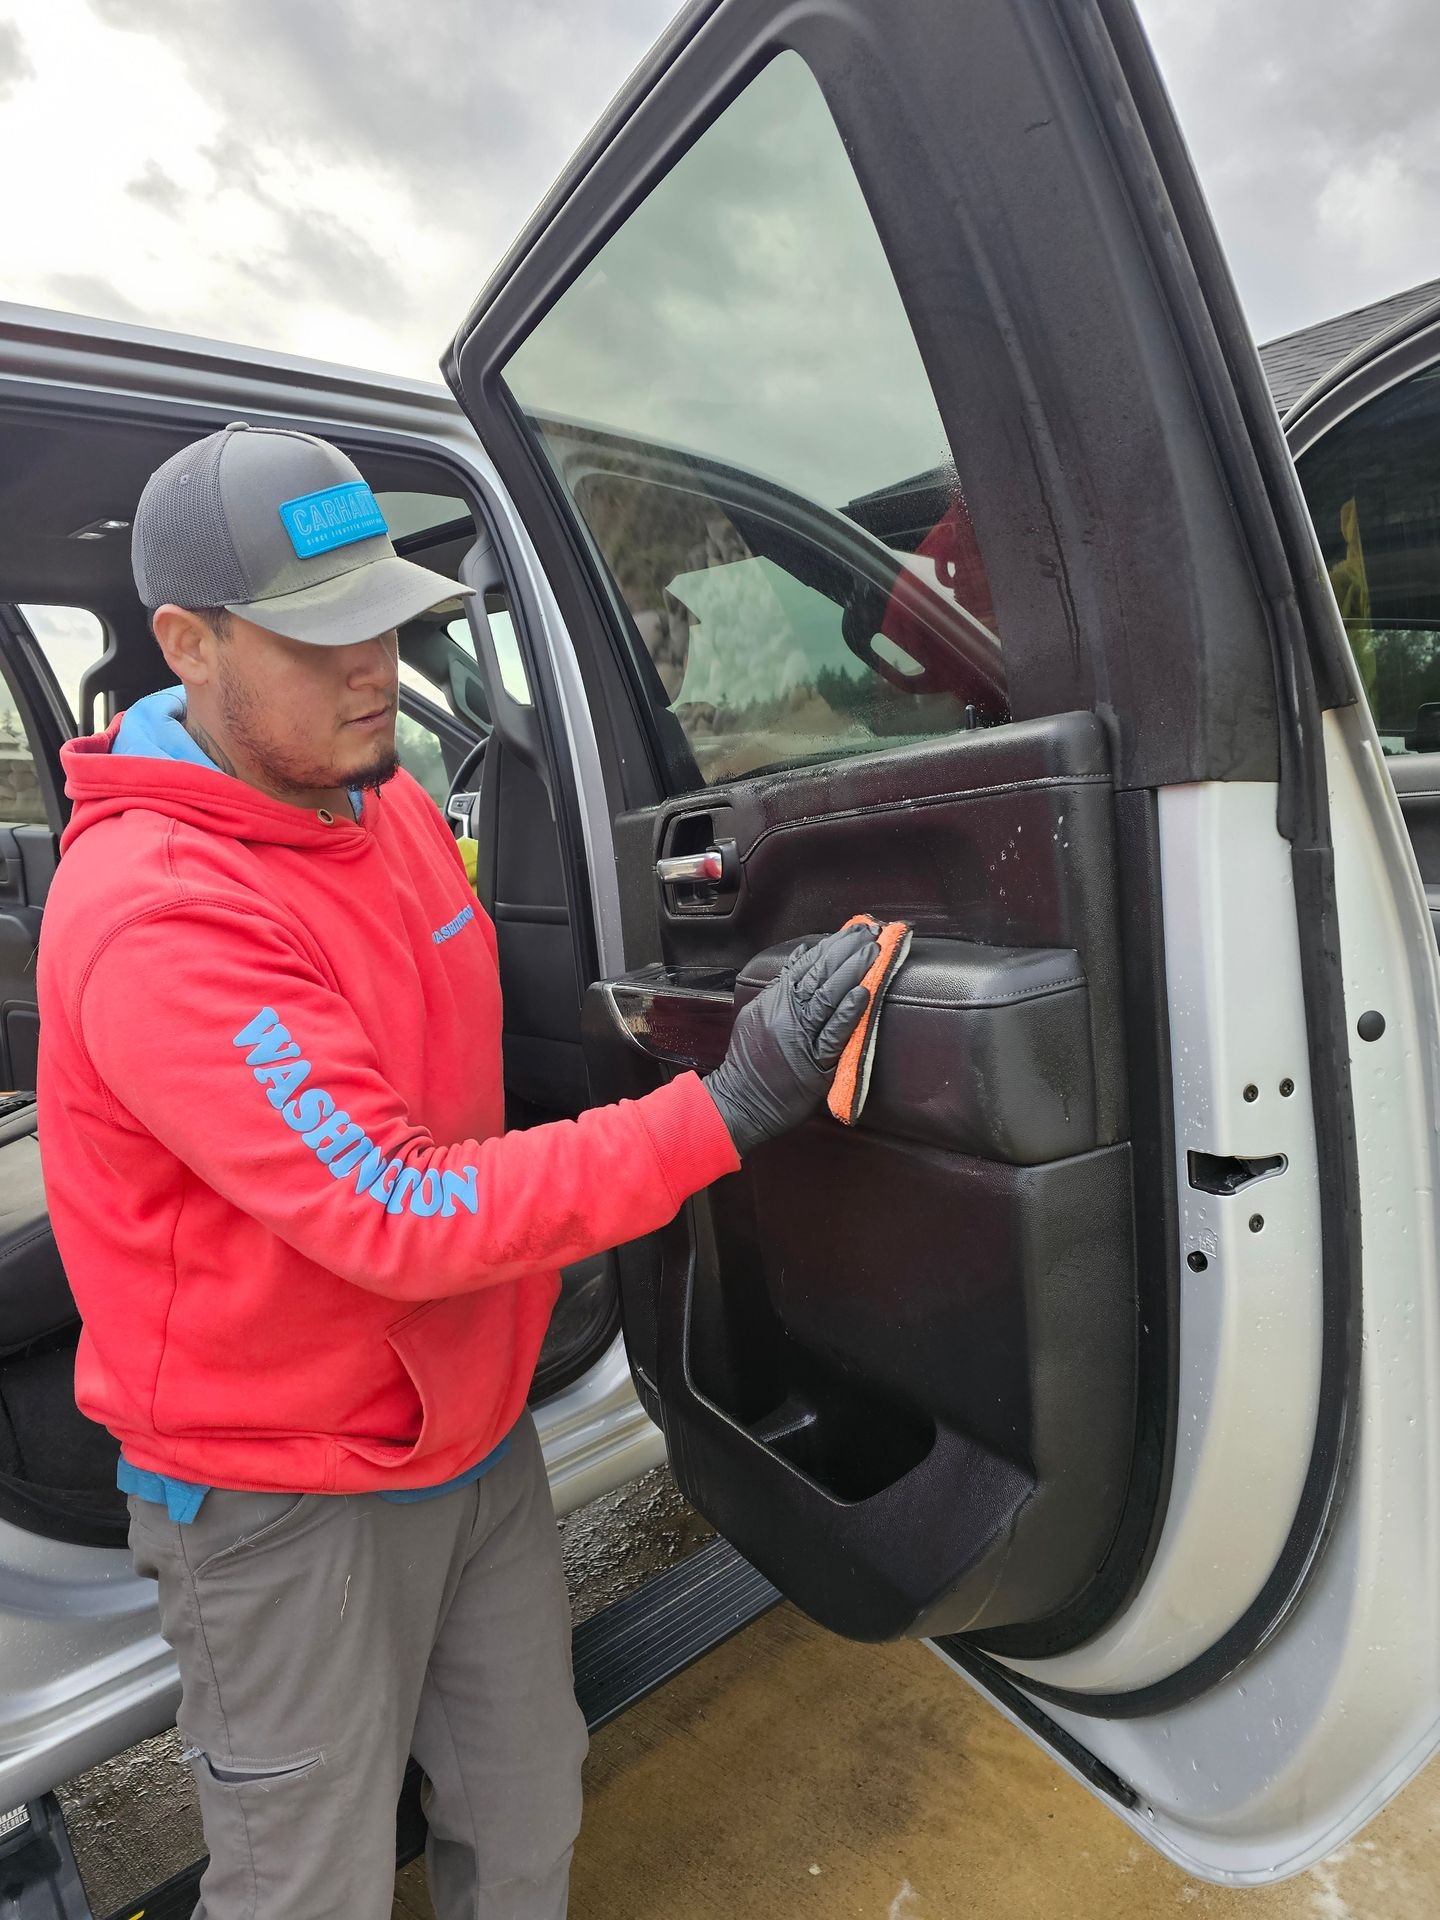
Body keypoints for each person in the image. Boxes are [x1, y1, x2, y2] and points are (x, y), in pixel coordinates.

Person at [35, 424, 877, 1920]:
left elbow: (490, 997)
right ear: (188, 643)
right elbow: (405, 1209)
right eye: (320, 635)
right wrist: (726, 1104)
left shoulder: (389, 800)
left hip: (470, 1430)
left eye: (387, 617)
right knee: (311, 1885)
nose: (374, 664)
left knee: (525, 1808)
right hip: (283, 1490)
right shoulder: (159, 917)